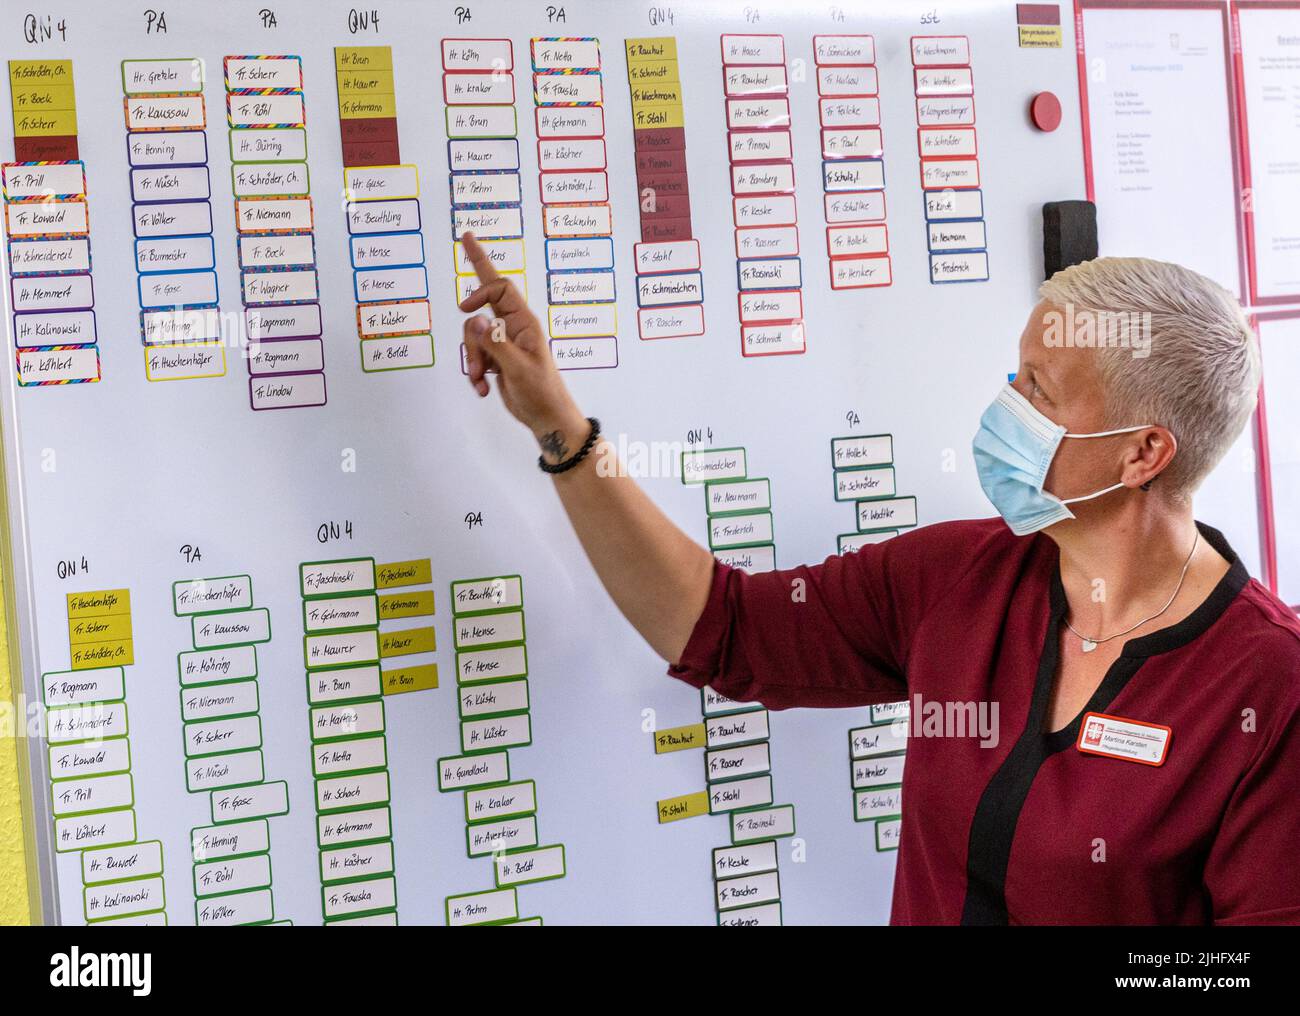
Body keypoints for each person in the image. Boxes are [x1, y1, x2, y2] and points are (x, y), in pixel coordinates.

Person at [457, 232, 1300, 926]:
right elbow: (723, 628)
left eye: (1038, 391)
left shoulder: (1269, 687)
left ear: (1143, 453)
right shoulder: (960, 578)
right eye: (1015, 374)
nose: (1006, 404)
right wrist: (560, 427)